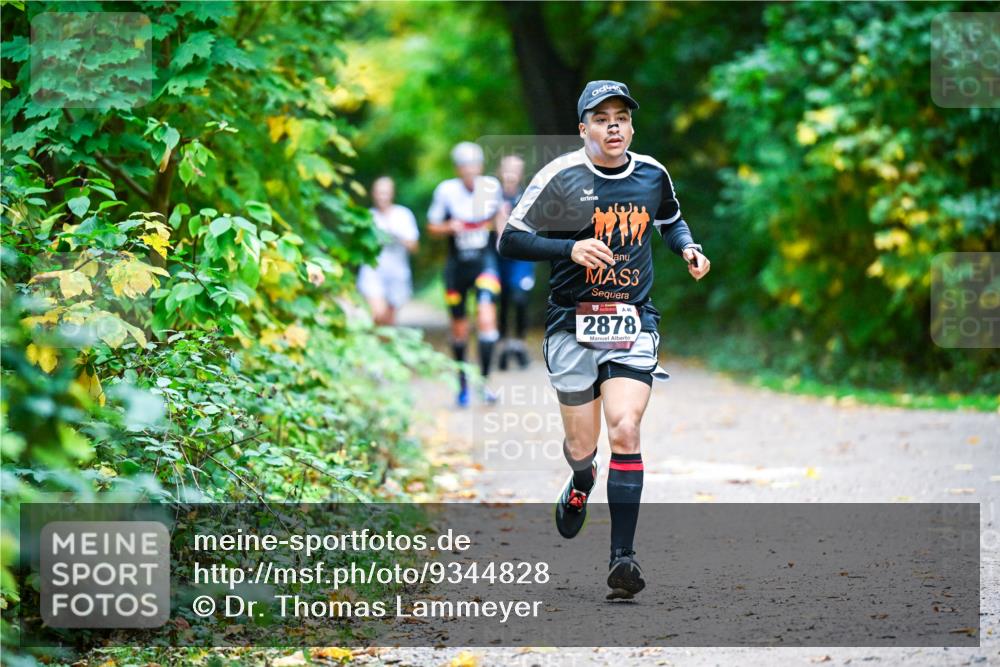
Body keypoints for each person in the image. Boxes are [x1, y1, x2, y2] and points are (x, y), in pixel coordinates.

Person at [498, 80, 711, 600]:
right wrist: (569, 249)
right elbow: (510, 239)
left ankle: (623, 558)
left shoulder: (652, 174)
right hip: (572, 323)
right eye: (601, 118)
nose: (613, 125)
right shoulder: (560, 176)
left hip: (632, 320)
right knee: (581, 445)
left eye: (621, 117)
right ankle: (580, 481)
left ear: (631, 126)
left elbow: (671, 220)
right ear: (584, 129)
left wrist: (688, 247)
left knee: (626, 428)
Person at [427, 142, 504, 407]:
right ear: (457, 169)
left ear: (480, 166)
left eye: (474, 165)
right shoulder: (446, 191)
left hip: (484, 261)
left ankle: (484, 382)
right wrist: (450, 226)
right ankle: (462, 384)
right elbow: (432, 227)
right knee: (459, 331)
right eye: (464, 166)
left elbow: (501, 218)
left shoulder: (490, 187)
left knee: (485, 317)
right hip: (457, 266)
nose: (469, 170)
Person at [357, 176, 419, 326]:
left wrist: (398, 235)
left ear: (392, 194)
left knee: (389, 321)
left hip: (398, 274)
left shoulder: (403, 215)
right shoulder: (367, 217)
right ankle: (377, 345)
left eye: (385, 192)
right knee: (377, 313)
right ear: (373, 194)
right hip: (373, 272)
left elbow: (415, 247)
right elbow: (359, 249)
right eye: (378, 192)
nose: (382, 196)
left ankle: (383, 347)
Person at [495, 154, 535, 370]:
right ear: (500, 171)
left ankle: (519, 344)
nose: (511, 172)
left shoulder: (528, 196)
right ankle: (503, 346)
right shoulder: (492, 197)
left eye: (516, 168)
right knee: (502, 300)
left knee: (520, 298)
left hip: (521, 259)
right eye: (508, 168)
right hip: (498, 258)